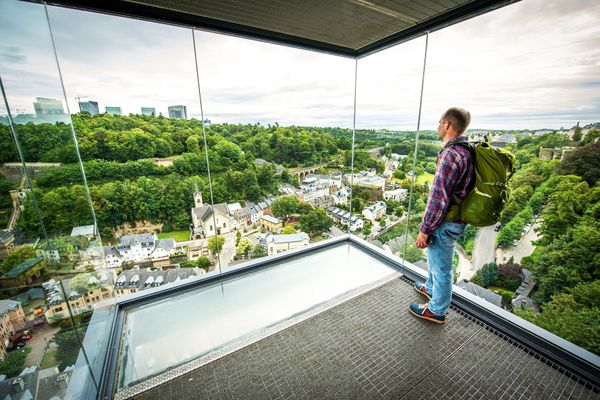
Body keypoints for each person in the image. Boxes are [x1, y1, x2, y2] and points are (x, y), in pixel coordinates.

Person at [409, 107, 474, 324]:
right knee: (436, 260)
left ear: (447, 124)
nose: (437, 126)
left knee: (442, 268)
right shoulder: (467, 150)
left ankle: (436, 310)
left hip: (446, 221)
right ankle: (430, 288)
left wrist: (424, 229)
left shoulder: (450, 154)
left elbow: (438, 198)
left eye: (439, 122)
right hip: (458, 218)